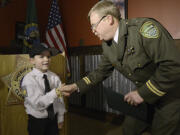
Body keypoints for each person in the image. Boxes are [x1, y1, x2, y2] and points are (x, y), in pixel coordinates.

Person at [60, 0, 180, 135]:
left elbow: (172, 66)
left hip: (170, 94)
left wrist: (142, 93)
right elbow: (100, 72)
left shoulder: (143, 29)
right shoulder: (107, 45)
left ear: (109, 19)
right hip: (145, 94)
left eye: (94, 25)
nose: (93, 31)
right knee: (128, 130)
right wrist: (76, 86)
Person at [21, 44, 66, 135]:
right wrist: (56, 92)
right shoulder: (28, 79)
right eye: (41, 57)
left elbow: (59, 100)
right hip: (37, 122)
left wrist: (60, 117)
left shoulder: (54, 77)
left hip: (53, 119)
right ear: (32, 61)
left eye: (48, 56)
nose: (46, 59)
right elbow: (37, 104)